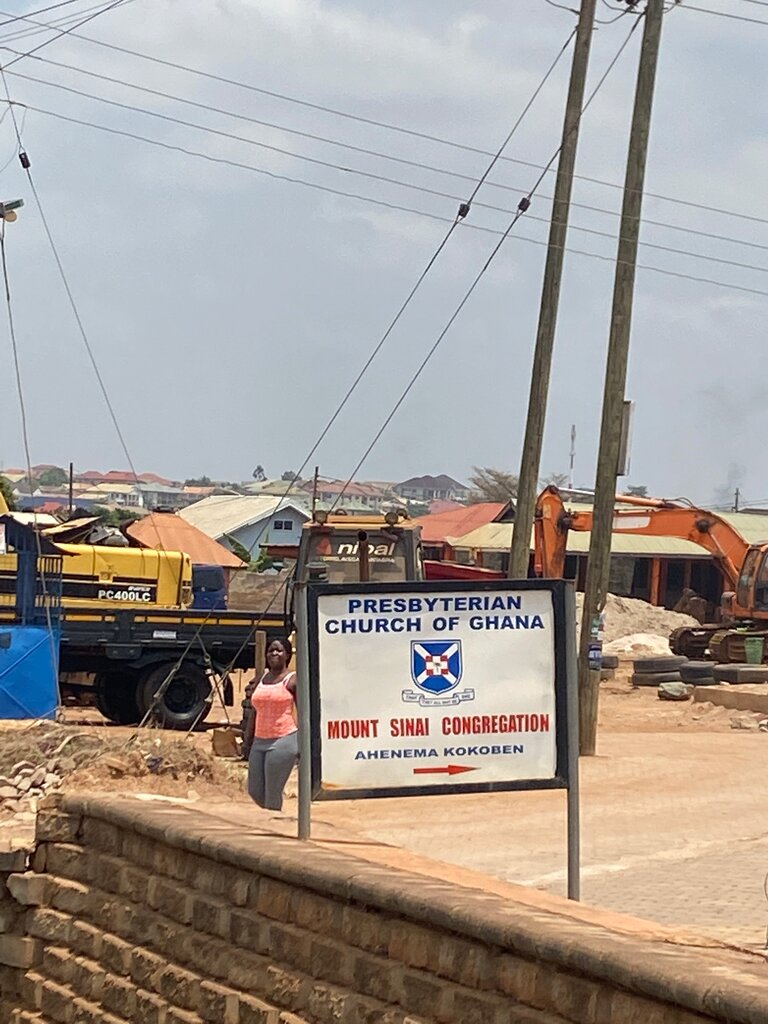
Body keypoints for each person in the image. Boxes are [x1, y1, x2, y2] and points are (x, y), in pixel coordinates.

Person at [247, 637, 298, 812]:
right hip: (259, 741)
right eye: (270, 650)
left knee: (272, 794)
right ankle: (274, 820)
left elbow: (304, 713)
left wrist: (304, 746)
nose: (274, 653)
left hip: (283, 740)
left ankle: (274, 830)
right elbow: (254, 712)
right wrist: (247, 742)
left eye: (278, 650)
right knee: (254, 791)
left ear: (287, 655)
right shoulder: (261, 679)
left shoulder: (292, 680)